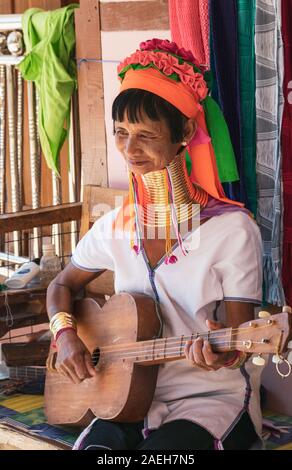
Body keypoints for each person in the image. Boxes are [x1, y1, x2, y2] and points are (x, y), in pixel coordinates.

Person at [47, 39, 263, 450]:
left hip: (207, 400)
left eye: (145, 134)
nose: (130, 149)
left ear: (184, 132)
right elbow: (61, 286)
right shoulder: (117, 225)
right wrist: (66, 335)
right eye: (122, 134)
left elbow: (240, 337)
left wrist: (223, 353)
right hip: (125, 399)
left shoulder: (231, 229)